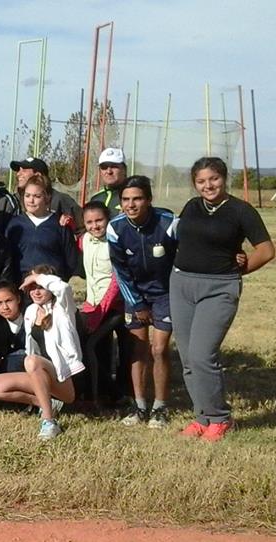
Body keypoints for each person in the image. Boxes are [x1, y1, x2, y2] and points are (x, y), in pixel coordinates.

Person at [171, 157, 274, 441]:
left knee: (204, 354)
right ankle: (202, 417)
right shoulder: (192, 206)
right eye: (201, 181)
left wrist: (240, 267)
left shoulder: (241, 211)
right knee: (188, 357)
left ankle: (220, 418)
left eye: (213, 179)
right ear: (195, 183)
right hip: (181, 284)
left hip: (218, 288)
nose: (208, 185)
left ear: (224, 178)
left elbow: (266, 250)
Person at [107, 176, 178, 427]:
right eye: (126, 199)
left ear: (148, 199)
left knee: (159, 350)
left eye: (137, 198)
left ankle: (160, 407)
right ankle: (139, 405)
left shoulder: (169, 224)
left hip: (165, 294)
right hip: (135, 295)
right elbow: (121, 271)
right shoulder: (115, 228)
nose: (131, 204)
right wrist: (137, 304)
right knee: (137, 348)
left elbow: (186, 258)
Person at [0, 266, 85, 440]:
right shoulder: (31, 311)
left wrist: (38, 277)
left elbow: (64, 288)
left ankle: (49, 421)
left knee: (31, 361)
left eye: (40, 286)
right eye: (32, 287)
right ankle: (46, 403)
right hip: (40, 375)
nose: (36, 292)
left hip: (65, 378)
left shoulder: (63, 308)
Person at [78, 201, 127, 404]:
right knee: (95, 349)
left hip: (114, 306)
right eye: (89, 222)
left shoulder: (114, 241)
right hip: (93, 303)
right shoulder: (85, 240)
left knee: (91, 346)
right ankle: (99, 393)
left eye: (99, 220)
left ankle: (116, 394)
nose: (95, 226)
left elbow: (116, 281)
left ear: (108, 219)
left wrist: (100, 311)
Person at [4, 174, 79, 281]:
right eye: (27, 195)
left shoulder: (60, 224)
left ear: (48, 197)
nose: (31, 200)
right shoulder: (15, 224)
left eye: (37, 196)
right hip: (23, 286)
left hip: (52, 287)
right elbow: (7, 259)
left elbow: (71, 261)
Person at [10, 156, 81, 231]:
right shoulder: (14, 200)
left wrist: (68, 225)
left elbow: (82, 227)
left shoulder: (59, 199)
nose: (18, 174)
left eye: (23, 170)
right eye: (18, 170)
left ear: (37, 175)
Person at [89, 148, 128, 217]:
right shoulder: (96, 198)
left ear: (124, 169)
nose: (109, 171)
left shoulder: (133, 196)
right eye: (104, 167)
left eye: (114, 166)